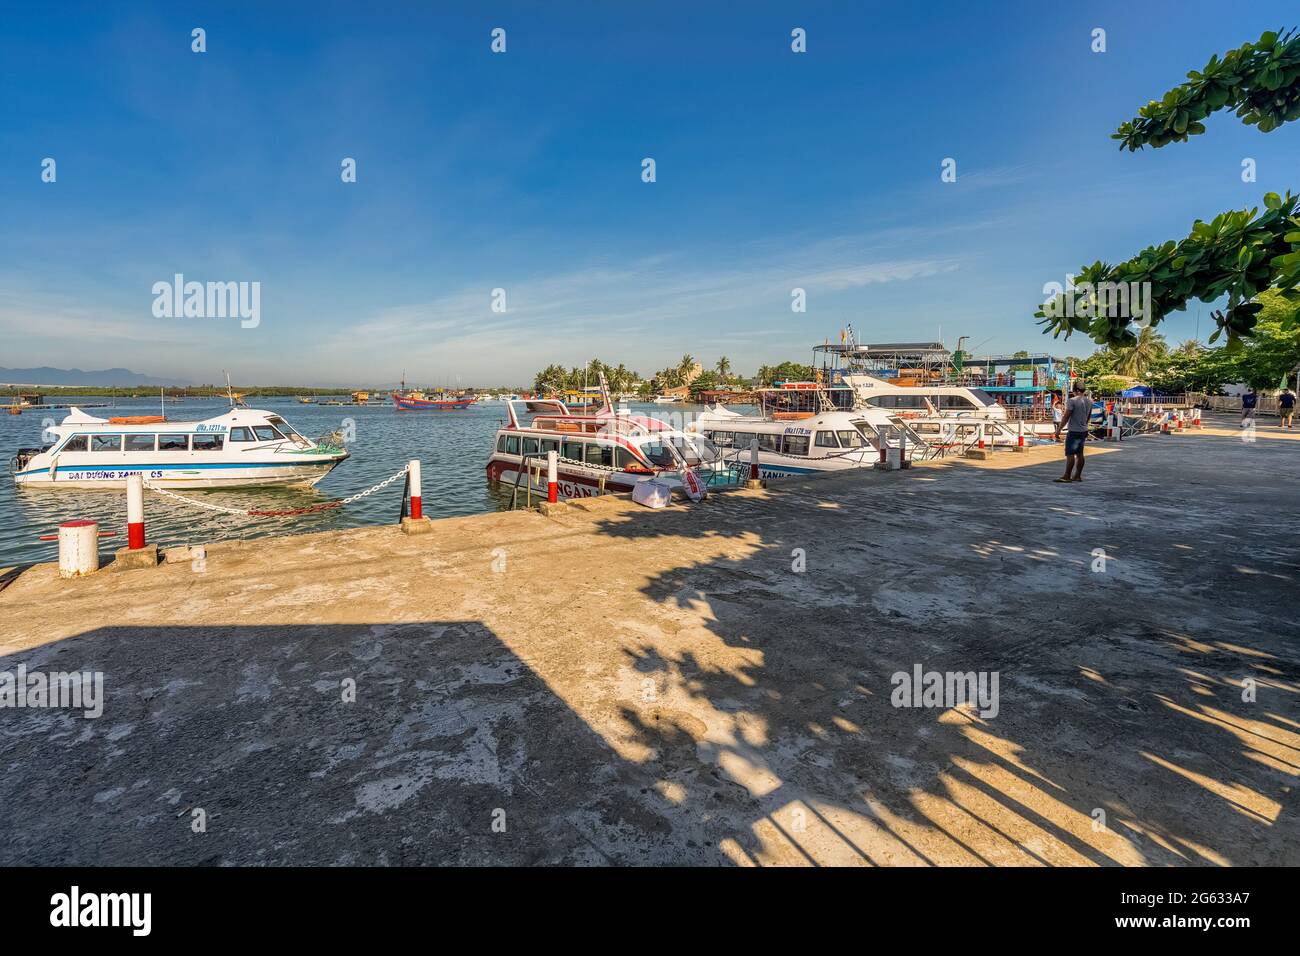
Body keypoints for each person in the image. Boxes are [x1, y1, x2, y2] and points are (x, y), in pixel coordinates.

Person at [1055, 383, 1091, 483]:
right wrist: (1084, 426)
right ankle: (1077, 476)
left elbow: (1066, 416)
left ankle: (1067, 476)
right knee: (1080, 454)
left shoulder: (1072, 401)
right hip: (1083, 430)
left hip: (1074, 431)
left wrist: (1059, 429)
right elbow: (1088, 417)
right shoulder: (1089, 401)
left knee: (1070, 454)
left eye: (1073, 391)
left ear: (1077, 391)